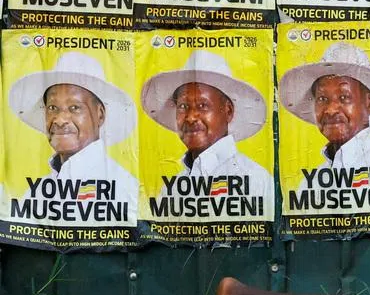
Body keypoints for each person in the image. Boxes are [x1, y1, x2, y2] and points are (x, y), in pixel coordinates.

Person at [278, 43, 370, 198]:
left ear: (368, 103)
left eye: (344, 97)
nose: (331, 110)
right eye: (322, 98)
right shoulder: (311, 184)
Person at [8, 51, 137, 214]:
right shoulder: (37, 192)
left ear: (100, 114)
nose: (60, 120)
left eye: (74, 107)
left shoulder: (124, 188)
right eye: (52, 108)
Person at [140, 50, 272, 203]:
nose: (190, 117)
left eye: (203, 105)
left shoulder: (255, 181)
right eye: (183, 106)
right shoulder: (173, 188)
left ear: (228, 111)